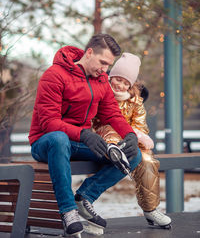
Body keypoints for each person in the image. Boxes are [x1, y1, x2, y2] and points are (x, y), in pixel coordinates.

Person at [28, 34, 142, 237]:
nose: (105, 70)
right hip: (46, 142)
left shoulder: (100, 81)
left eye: (109, 65)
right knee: (59, 138)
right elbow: (49, 123)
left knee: (133, 156)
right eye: (103, 62)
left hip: (77, 142)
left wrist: (130, 135)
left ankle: (85, 197)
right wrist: (84, 134)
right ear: (89, 53)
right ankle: (68, 211)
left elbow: (112, 114)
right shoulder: (54, 75)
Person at [93, 52, 172, 228]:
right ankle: (115, 151)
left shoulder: (135, 100)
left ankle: (151, 209)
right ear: (111, 76)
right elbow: (94, 121)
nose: (120, 85)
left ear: (131, 84)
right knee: (110, 130)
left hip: (130, 139)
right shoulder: (100, 92)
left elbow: (140, 124)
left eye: (125, 82)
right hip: (104, 138)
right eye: (117, 79)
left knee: (148, 160)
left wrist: (137, 134)